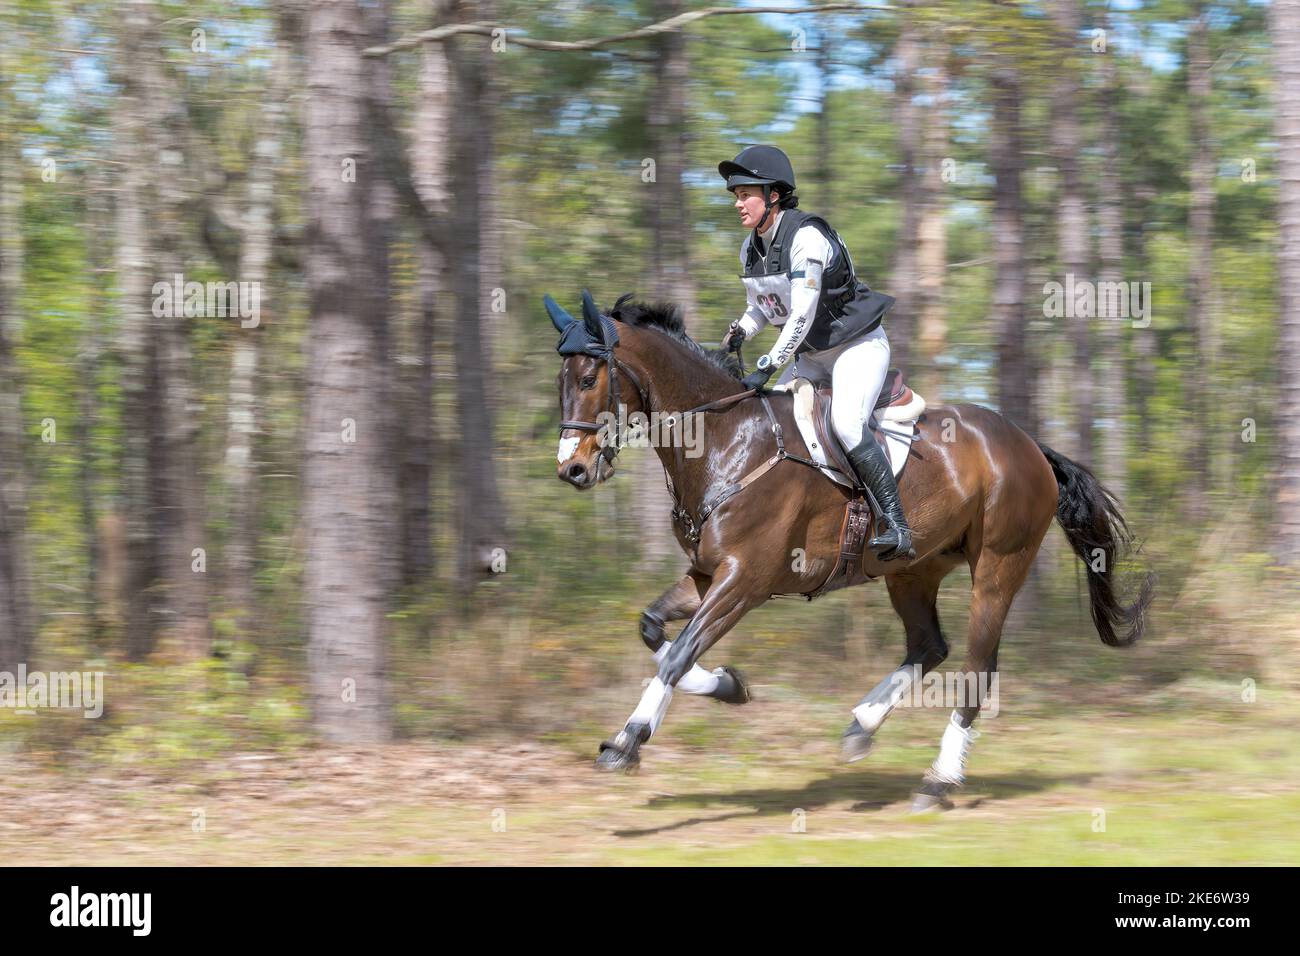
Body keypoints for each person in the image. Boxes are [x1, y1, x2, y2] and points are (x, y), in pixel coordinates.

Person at [719, 144, 913, 561]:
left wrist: (767, 365)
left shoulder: (807, 238)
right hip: (811, 357)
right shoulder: (749, 249)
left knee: (845, 422)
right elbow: (764, 307)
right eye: (736, 196)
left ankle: (896, 523)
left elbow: (802, 314)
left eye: (746, 194)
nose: (739, 204)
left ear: (773, 195)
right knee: (771, 422)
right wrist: (740, 332)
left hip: (857, 347)